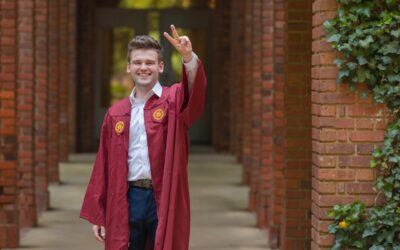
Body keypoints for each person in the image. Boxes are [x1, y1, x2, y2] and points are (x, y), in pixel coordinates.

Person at [80, 25, 207, 250]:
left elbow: (194, 96)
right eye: (137, 63)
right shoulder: (115, 113)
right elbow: (103, 166)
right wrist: (99, 213)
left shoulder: (173, 100)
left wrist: (188, 59)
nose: (143, 68)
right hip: (128, 197)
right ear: (128, 67)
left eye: (149, 63)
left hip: (162, 197)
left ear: (160, 66)